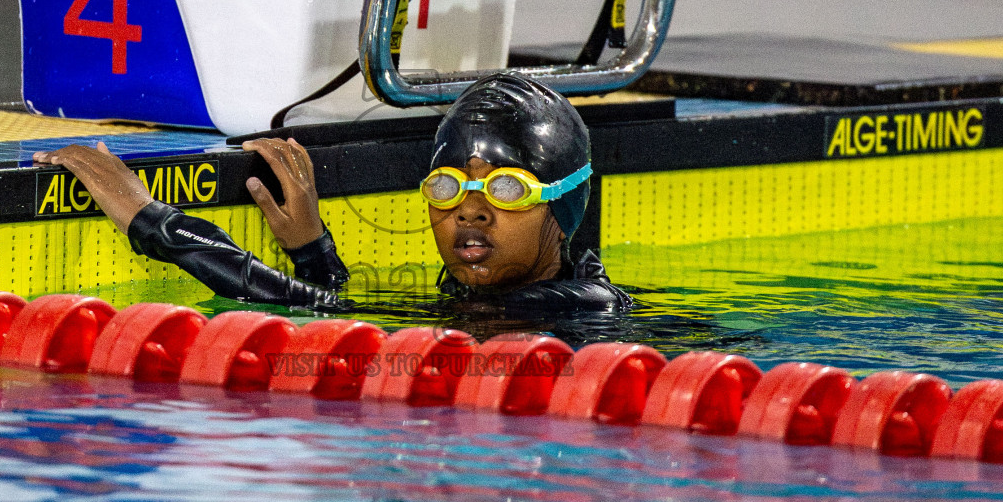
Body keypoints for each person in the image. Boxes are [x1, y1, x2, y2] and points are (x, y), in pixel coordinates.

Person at [32, 73, 631, 314]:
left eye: (507, 190)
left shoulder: (576, 308)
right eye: (447, 187)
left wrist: (151, 219)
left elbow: (332, 314)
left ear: (562, 205)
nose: (469, 210)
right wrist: (313, 249)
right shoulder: (491, 292)